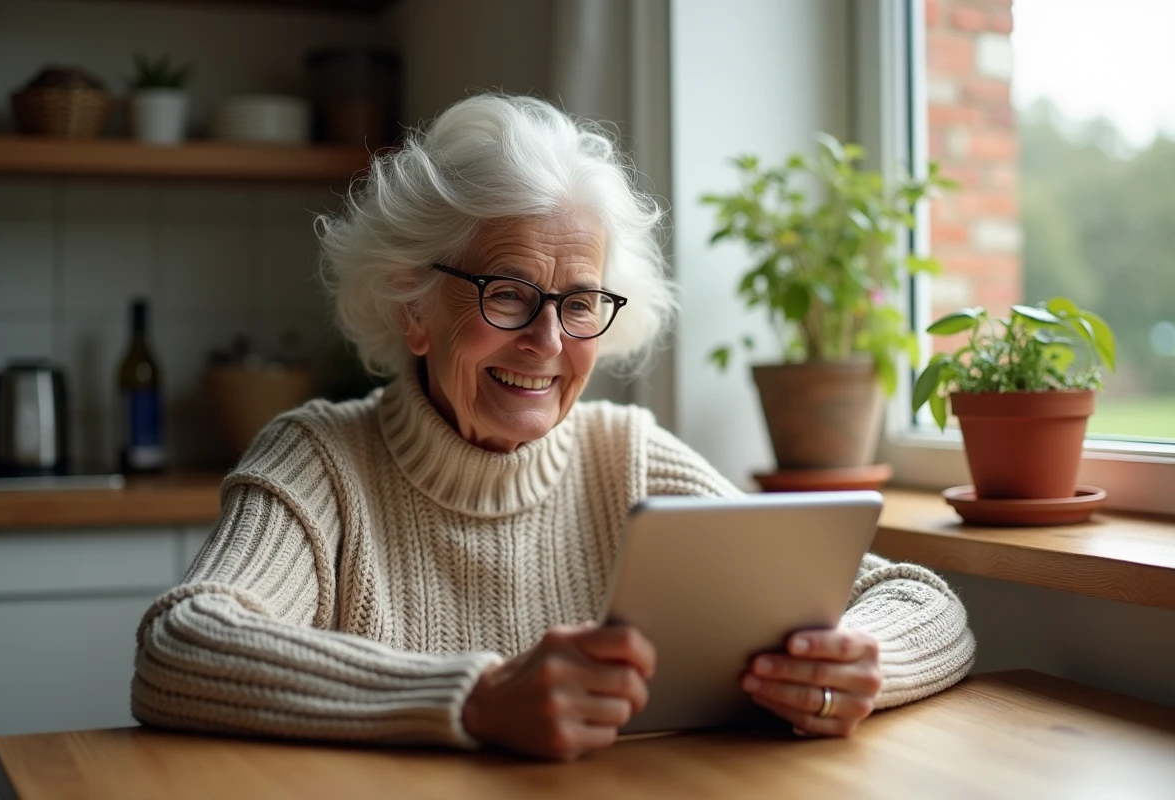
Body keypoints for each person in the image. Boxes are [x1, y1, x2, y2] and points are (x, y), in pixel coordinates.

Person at [131, 94, 975, 761]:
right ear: (412, 307)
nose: (548, 342)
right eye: (507, 292)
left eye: (579, 303)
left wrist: (860, 660)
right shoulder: (322, 459)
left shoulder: (628, 458)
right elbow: (180, 647)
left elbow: (925, 604)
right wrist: (476, 698)